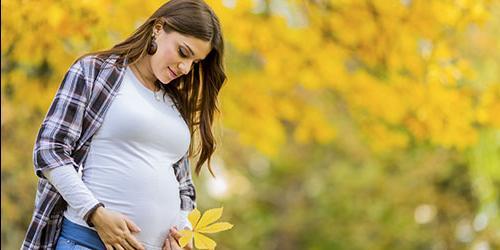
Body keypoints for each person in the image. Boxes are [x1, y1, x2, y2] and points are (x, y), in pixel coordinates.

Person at [21, 0, 226, 249]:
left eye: (195, 62)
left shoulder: (174, 103)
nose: (185, 68)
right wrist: (94, 213)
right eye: (183, 52)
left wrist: (183, 234)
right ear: (159, 28)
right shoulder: (95, 71)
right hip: (89, 241)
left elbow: (183, 187)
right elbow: (50, 149)